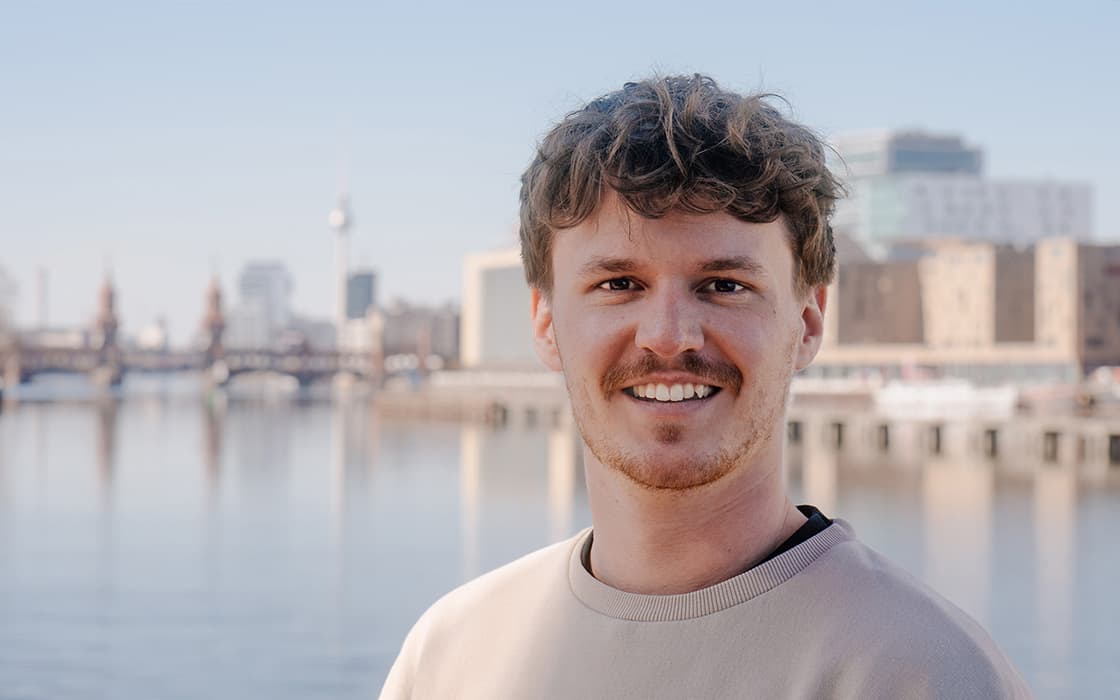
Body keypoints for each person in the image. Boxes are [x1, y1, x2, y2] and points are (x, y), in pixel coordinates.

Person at [379, 74, 1031, 699]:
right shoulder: (449, 656)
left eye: (724, 285)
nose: (669, 336)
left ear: (808, 321)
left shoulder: (926, 675)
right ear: (546, 323)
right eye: (618, 284)